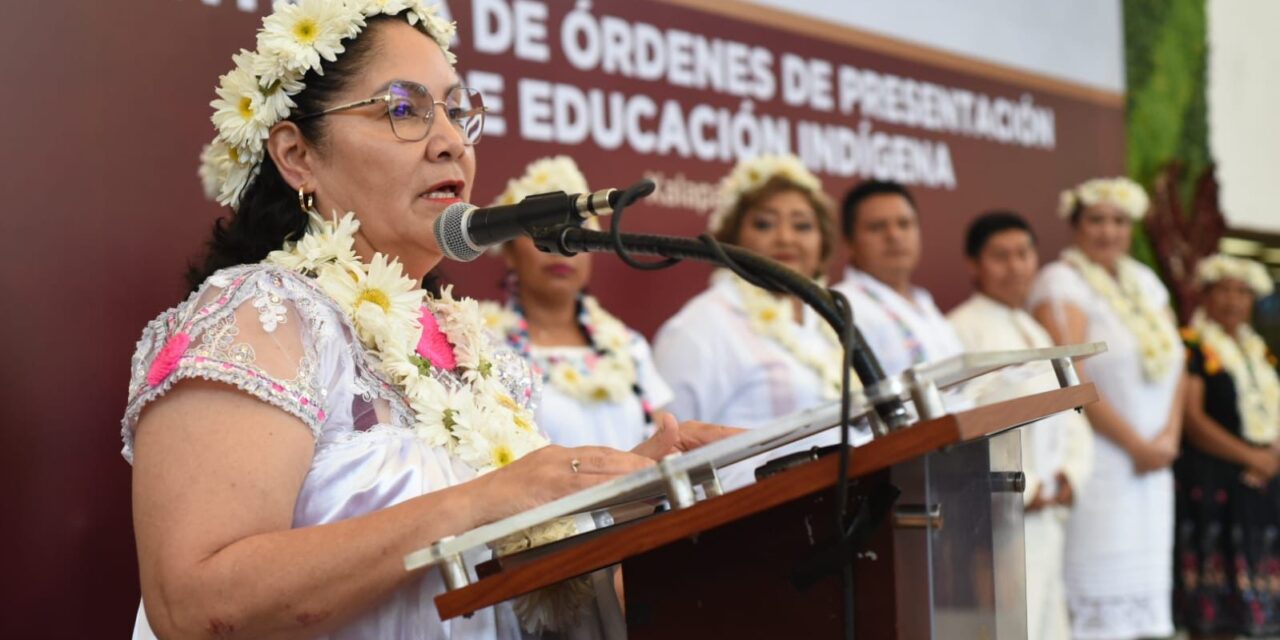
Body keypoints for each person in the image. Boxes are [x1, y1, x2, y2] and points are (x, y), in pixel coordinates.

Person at [123, 3, 729, 638]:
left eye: (457, 112)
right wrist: (481, 502)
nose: (452, 142)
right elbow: (192, 606)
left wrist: (619, 500)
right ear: (298, 155)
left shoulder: (485, 358)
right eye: (404, 110)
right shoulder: (261, 314)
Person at [1029, 176, 1187, 639]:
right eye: (1096, 220)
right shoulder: (1062, 281)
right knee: (1099, 605)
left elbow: (1178, 363)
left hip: (1154, 465)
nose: (1108, 231)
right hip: (1102, 460)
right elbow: (1071, 376)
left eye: (1118, 221)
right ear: (1075, 225)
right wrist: (1135, 444)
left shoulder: (1145, 282)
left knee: (1145, 602)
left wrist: (1168, 438)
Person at [653, 154, 857, 490]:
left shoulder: (830, 320)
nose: (785, 238)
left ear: (823, 242)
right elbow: (668, 450)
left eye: (802, 225)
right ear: (733, 237)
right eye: (764, 224)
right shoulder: (701, 325)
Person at [947, 211, 1093, 640]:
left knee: (1048, 623)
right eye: (1000, 256)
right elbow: (963, 426)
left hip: (1049, 508)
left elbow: (1073, 411)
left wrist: (1069, 475)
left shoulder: (1033, 327)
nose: (1014, 266)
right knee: (1010, 628)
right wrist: (1021, 489)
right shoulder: (960, 328)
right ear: (974, 264)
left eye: (1023, 254)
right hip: (1003, 512)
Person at [480, 155, 673, 452]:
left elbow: (667, 445)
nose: (560, 248)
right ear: (508, 251)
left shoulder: (629, 347)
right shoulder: (482, 347)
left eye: (575, 232)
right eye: (542, 232)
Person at [1174, 254, 1280, 638]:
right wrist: (1252, 456)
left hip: (1260, 481)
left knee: (1258, 610)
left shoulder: (1259, 352)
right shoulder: (1193, 345)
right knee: (1214, 611)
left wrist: (1271, 457)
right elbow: (1193, 420)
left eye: (1243, 292)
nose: (1234, 300)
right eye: (1224, 290)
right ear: (1204, 294)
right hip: (1213, 482)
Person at [831, 180, 964, 378]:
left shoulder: (924, 301)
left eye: (904, 224)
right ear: (849, 242)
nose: (894, 235)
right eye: (877, 227)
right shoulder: (843, 305)